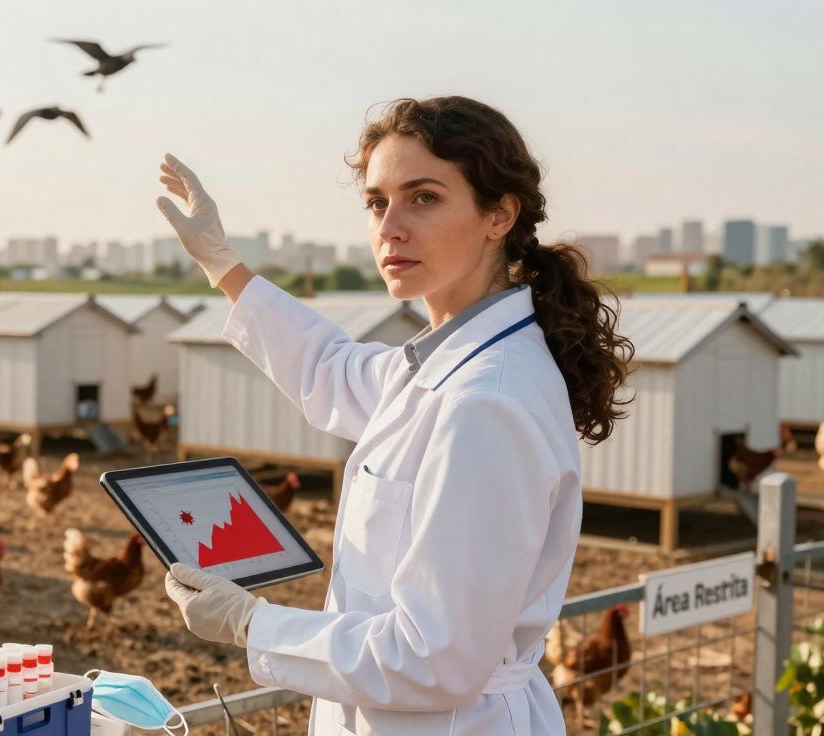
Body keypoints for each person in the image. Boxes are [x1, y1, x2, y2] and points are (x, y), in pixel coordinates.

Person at [156, 96, 633, 735]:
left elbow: (435, 658)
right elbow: (329, 368)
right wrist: (221, 261)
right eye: (377, 203)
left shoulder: (484, 403)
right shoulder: (446, 363)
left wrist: (254, 624)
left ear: (499, 214)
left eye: (424, 197)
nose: (390, 228)